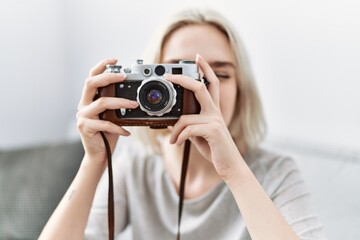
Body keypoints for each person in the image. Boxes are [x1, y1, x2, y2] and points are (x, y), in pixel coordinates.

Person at [39, 8, 327, 240]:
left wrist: (234, 171)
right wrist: (94, 162)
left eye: (220, 75)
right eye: (177, 74)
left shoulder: (276, 174)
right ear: (143, 82)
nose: (201, 87)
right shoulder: (136, 166)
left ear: (243, 91)